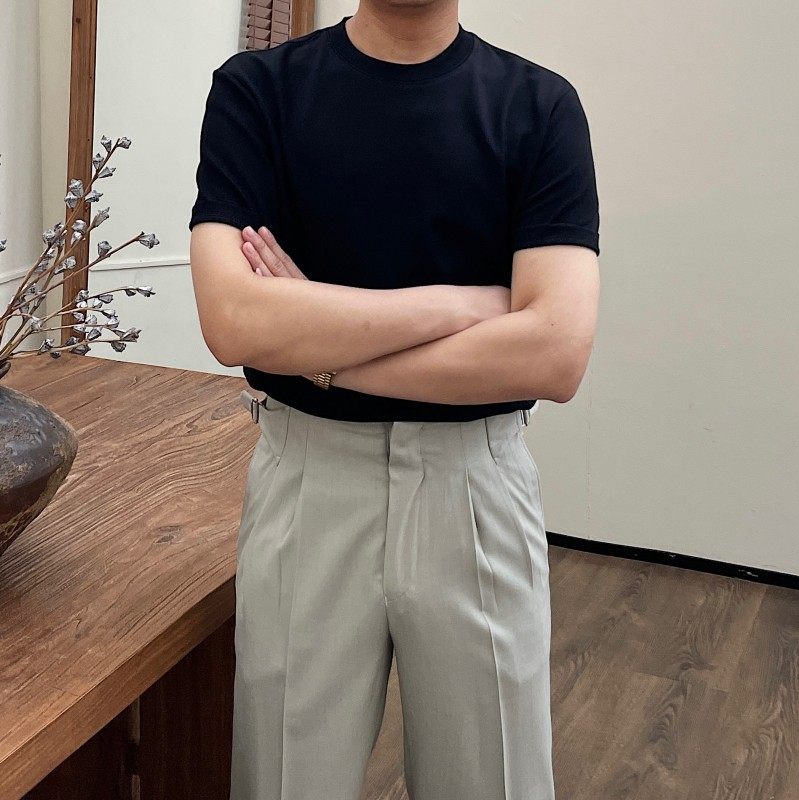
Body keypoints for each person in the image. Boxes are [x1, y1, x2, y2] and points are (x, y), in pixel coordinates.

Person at [188, 1, 600, 798]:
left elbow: (554, 353)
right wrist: (460, 304)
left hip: (474, 485)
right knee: (286, 780)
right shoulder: (257, 90)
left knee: (493, 779)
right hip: (308, 479)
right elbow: (234, 321)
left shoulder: (539, 105)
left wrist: (322, 355)